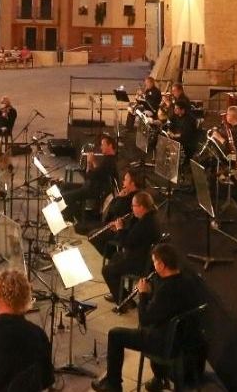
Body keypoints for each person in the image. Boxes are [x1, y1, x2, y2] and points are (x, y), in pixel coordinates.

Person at [92, 243, 208, 392]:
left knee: (115, 334)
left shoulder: (166, 291)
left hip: (166, 342)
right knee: (153, 325)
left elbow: (145, 319)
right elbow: (167, 307)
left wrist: (143, 294)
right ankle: (160, 378)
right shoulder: (187, 279)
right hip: (186, 339)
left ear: (161, 264)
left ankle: (113, 385)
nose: (153, 265)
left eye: (154, 262)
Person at [102, 191, 160, 307]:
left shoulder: (145, 224)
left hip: (140, 262)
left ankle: (124, 302)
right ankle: (120, 293)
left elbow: (126, 243)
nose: (131, 208)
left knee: (107, 270)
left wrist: (120, 229)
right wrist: (123, 227)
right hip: (141, 255)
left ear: (142, 207)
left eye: (133, 206)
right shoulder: (149, 217)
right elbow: (133, 236)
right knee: (115, 257)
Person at [63, 134, 118, 221]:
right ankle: (72, 214)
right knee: (65, 186)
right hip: (91, 185)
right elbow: (98, 172)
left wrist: (89, 162)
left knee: (65, 197)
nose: (100, 147)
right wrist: (94, 162)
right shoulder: (109, 159)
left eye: (103, 144)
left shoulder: (108, 162)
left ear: (110, 145)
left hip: (94, 190)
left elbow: (88, 176)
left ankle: (72, 218)